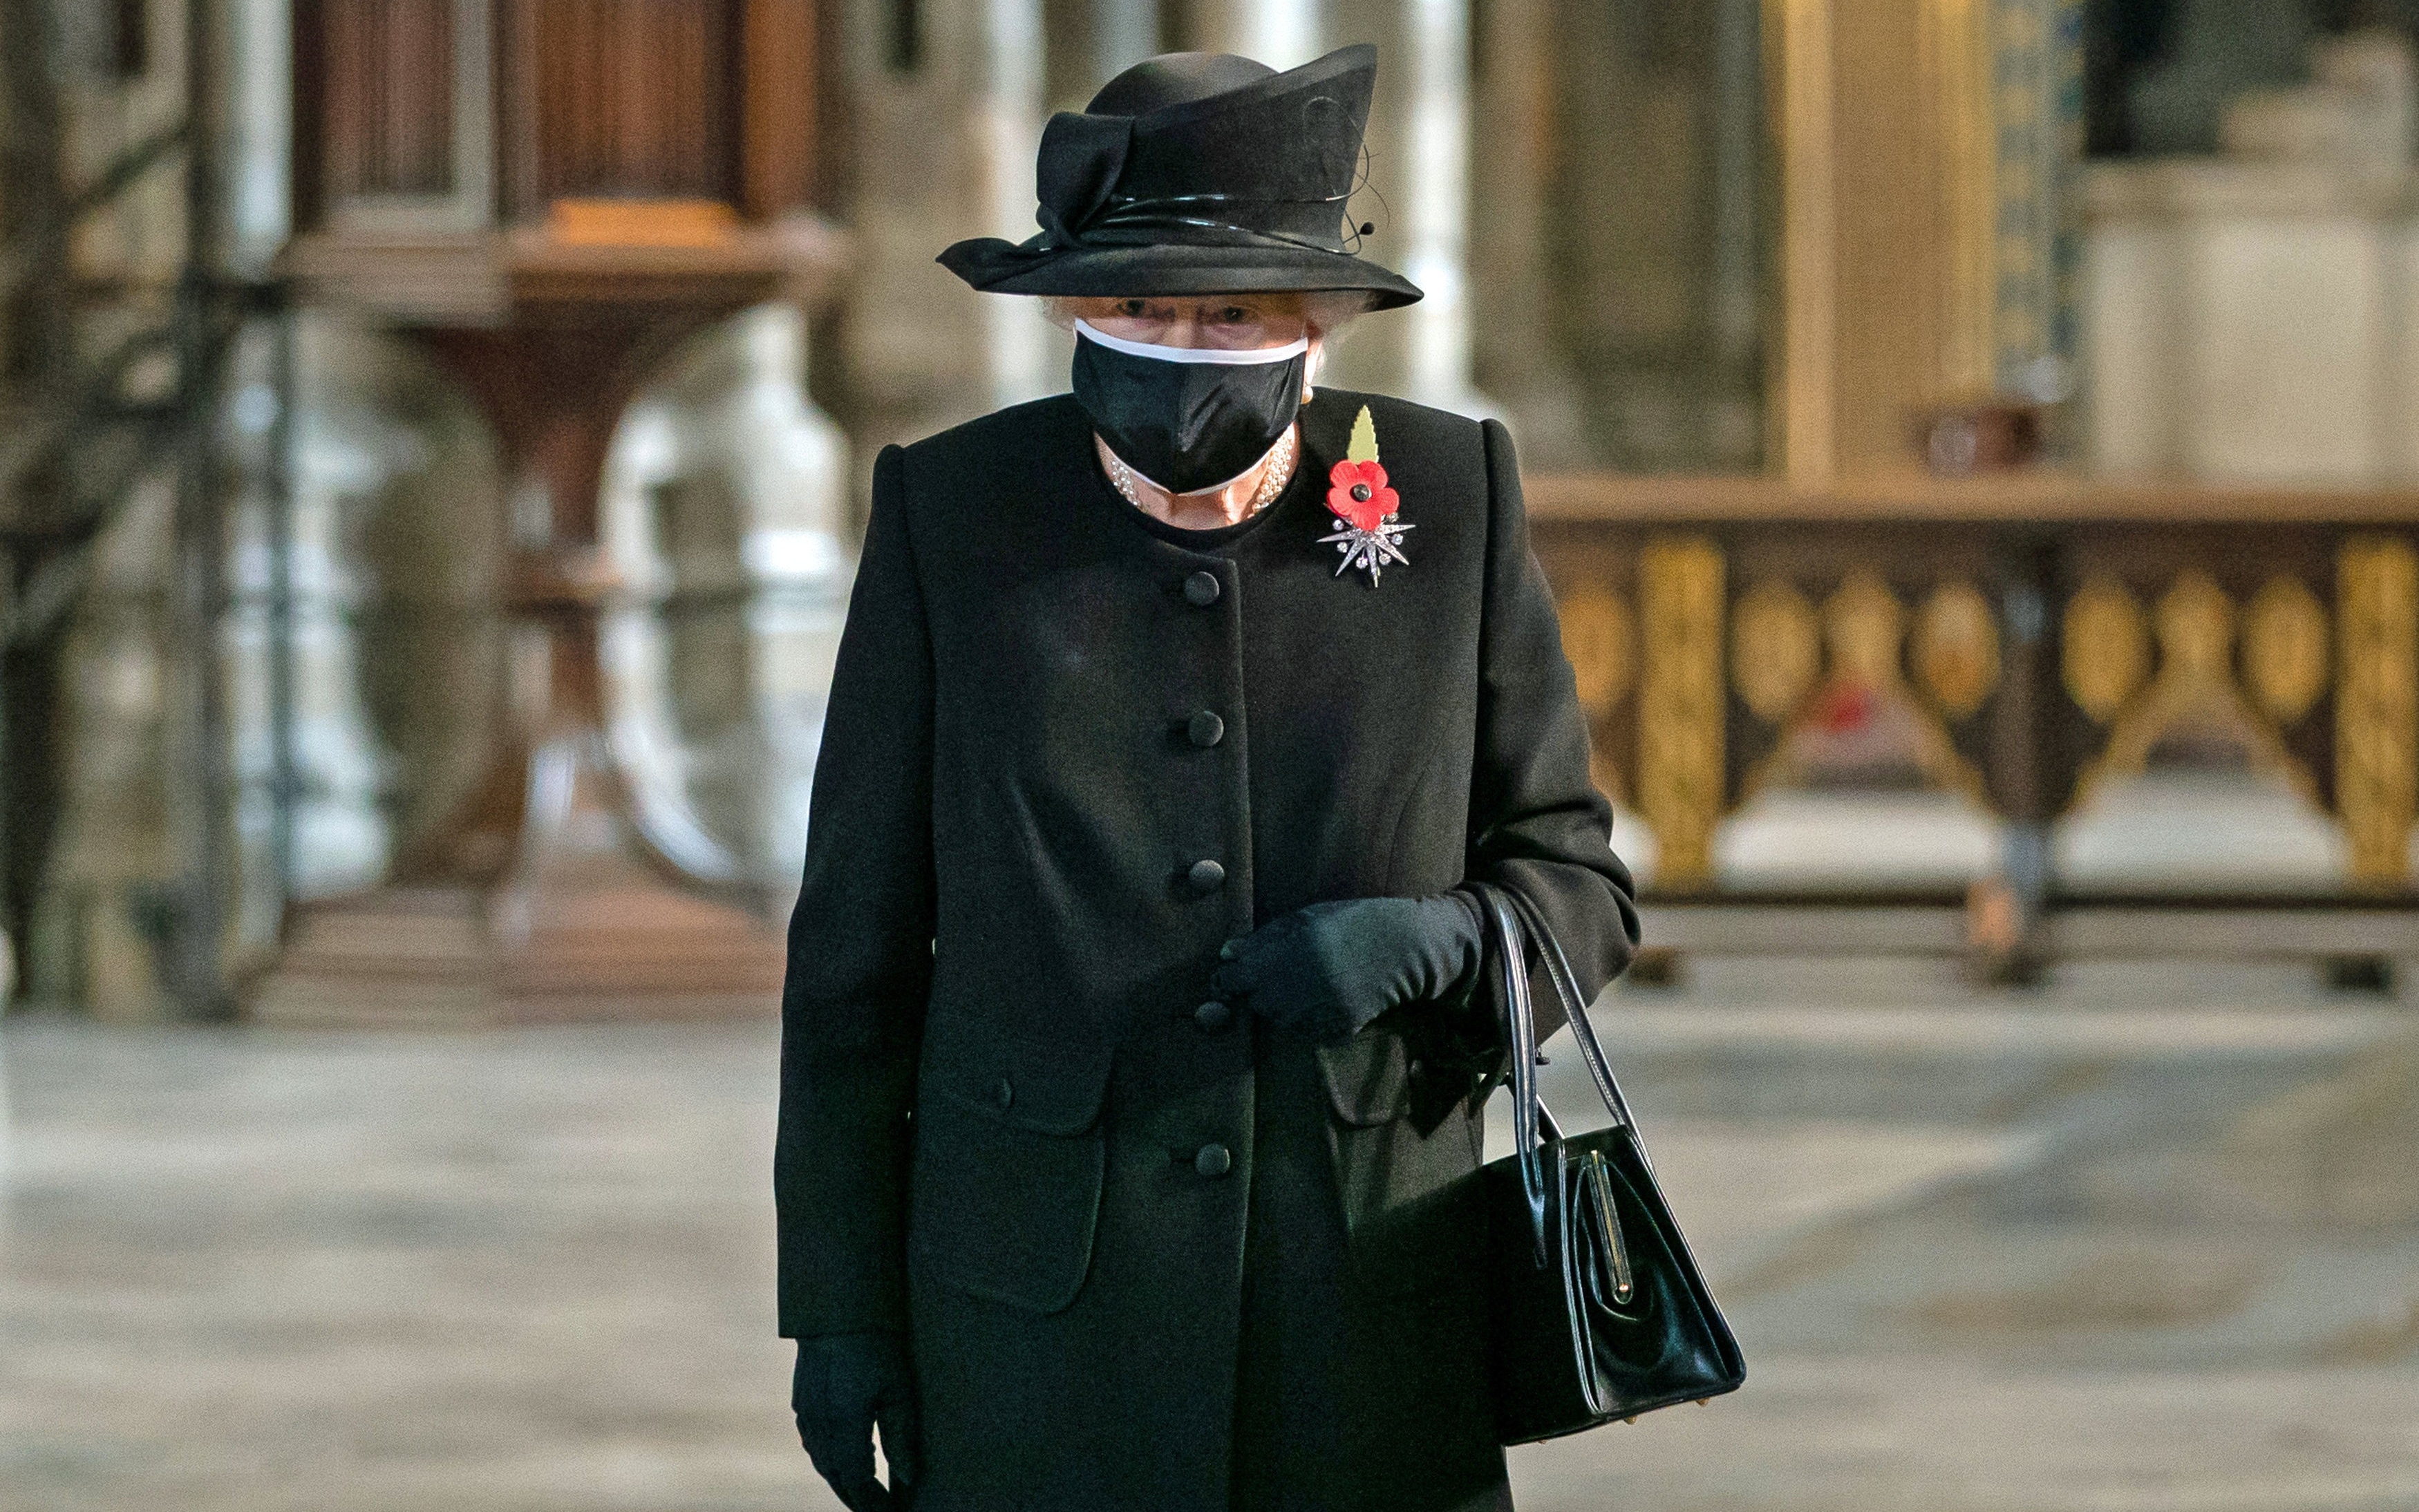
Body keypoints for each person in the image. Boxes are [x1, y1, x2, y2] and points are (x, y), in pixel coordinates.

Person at [776, 43, 1637, 1512]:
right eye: (1133, 306)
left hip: (1368, 1288)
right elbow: (853, 957)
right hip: (1036, 1308)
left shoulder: (1449, 496)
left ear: (1313, 326)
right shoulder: (952, 511)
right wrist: (840, 1304)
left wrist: (1436, 942)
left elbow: (1575, 875)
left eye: (1224, 311)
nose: (1176, 342)